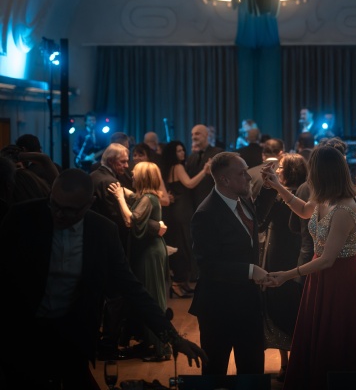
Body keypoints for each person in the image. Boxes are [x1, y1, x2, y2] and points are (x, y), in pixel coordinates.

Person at [0, 168, 205, 390]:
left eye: (70, 210)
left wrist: (173, 338)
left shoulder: (102, 230)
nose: (58, 214)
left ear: (89, 203)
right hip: (24, 331)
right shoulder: (22, 216)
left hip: (73, 333)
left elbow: (131, 288)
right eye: (54, 204)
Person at [262, 145, 356, 390]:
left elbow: (328, 259)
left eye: (313, 170)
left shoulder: (344, 207)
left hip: (342, 277)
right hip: (321, 274)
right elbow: (304, 211)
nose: (309, 175)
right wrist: (277, 186)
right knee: (320, 334)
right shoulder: (323, 197)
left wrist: (287, 275)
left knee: (337, 336)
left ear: (322, 173)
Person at [189, 151, 268, 375]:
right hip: (219, 308)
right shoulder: (206, 213)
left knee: (252, 371)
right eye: (242, 173)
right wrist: (250, 270)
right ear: (225, 179)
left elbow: (257, 223)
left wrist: (271, 187)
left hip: (248, 304)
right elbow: (208, 266)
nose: (249, 177)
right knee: (215, 372)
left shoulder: (243, 200)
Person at [109, 161, 172, 362]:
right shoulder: (147, 197)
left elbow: (131, 220)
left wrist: (119, 198)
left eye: (135, 173)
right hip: (149, 251)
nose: (132, 175)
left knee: (152, 297)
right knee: (149, 295)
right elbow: (134, 197)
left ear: (143, 177)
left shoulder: (148, 198)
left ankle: (162, 348)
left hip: (149, 254)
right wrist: (123, 191)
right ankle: (151, 343)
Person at [257, 152, 308, 383]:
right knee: (295, 306)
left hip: (279, 252)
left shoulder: (281, 197)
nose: (277, 171)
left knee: (279, 303)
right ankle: (297, 362)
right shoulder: (305, 194)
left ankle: (287, 363)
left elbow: (261, 223)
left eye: (280, 168)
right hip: (296, 252)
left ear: (289, 171)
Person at [160, 139, 212, 297]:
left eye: (182, 150)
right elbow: (189, 184)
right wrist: (204, 171)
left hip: (177, 208)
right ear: (173, 153)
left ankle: (181, 282)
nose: (182, 153)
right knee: (184, 244)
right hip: (182, 209)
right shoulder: (177, 167)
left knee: (181, 243)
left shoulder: (169, 168)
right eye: (178, 151)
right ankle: (178, 283)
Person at [185, 123, 222, 210]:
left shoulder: (218, 153)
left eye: (197, 134)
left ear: (206, 135)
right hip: (194, 205)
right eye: (192, 134)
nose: (193, 137)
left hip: (213, 203)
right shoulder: (191, 157)